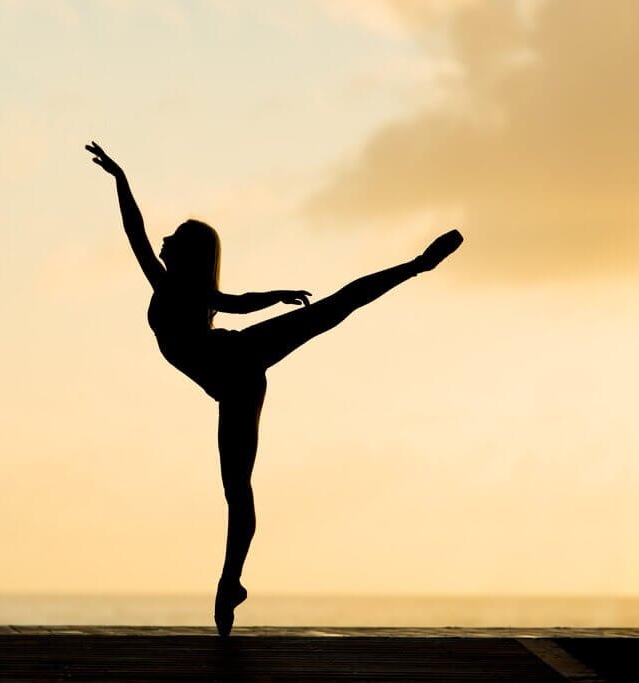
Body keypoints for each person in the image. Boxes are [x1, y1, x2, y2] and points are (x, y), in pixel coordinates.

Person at [85, 141, 463, 636]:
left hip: (236, 360)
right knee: (237, 490)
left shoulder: (178, 288)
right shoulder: (176, 287)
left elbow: (225, 296)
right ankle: (230, 584)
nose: (163, 238)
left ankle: (418, 264)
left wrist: (272, 298)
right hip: (235, 382)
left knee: (329, 312)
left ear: (189, 254)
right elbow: (194, 272)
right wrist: (120, 177)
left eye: (175, 236)